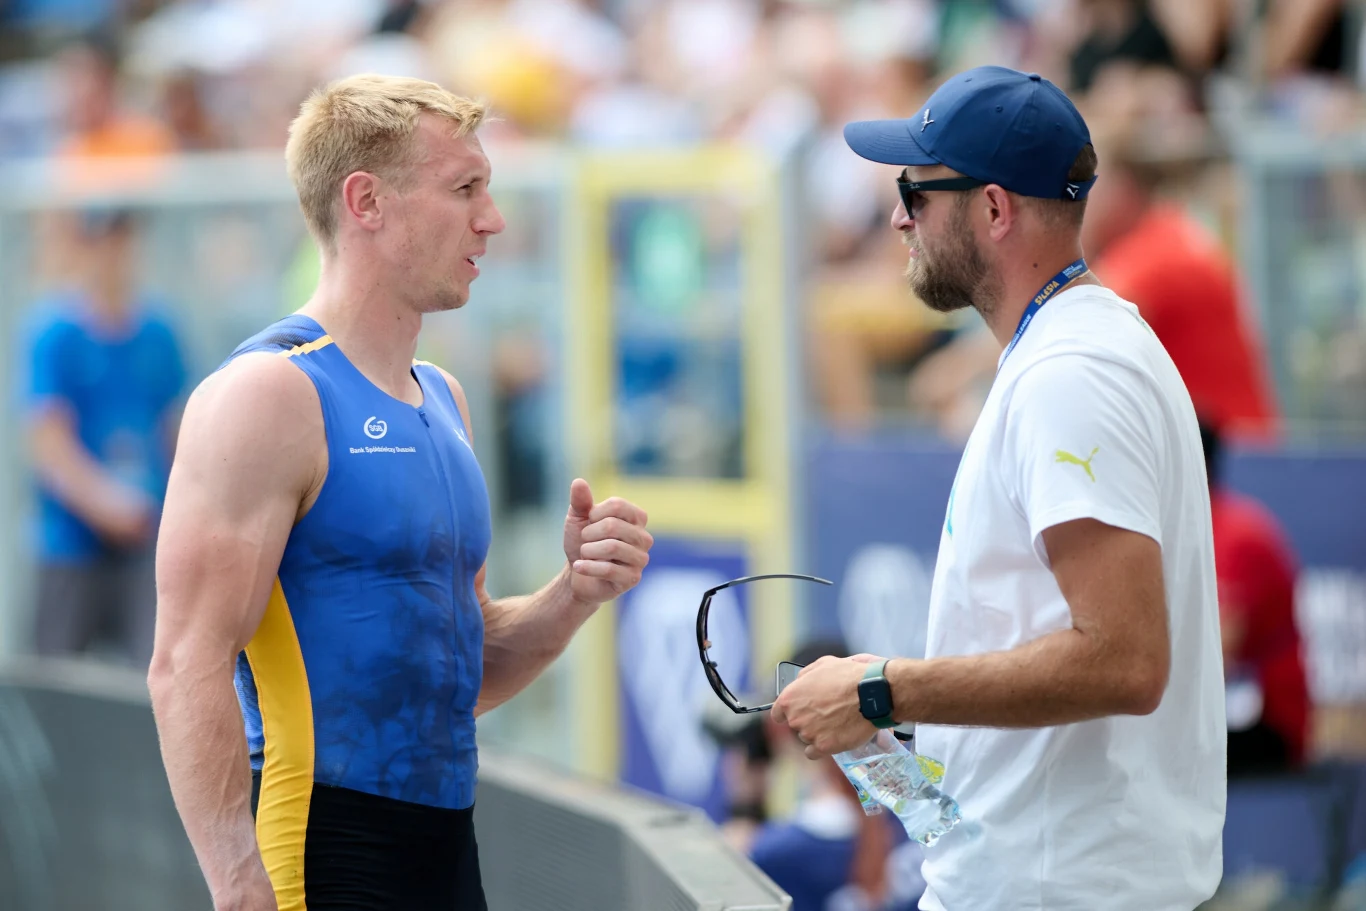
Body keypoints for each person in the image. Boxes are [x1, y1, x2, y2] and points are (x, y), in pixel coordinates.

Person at [147, 74, 654, 911]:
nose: (492, 219)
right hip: (317, 852)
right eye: (465, 189)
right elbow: (183, 661)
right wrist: (238, 885)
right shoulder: (268, 395)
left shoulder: (442, 399)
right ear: (367, 202)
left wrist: (574, 593)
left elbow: (461, 664)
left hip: (445, 852)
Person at [772, 66, 1226, 910]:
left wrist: (881, 688)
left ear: (992, 209)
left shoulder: (1073, 372)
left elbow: (1124, 661)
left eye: (916, 189)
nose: (899, 215)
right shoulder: (1070, 350)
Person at [21, 207, 186, 668]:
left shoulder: (158, 331)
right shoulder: (54, 334)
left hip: (143, 539)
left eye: (123, 241)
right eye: (104, 241)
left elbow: (172, 430)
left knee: (154, 673)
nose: (116, 254)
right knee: (59, 685)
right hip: (72, 544)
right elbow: (48, 441)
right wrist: (106, 504)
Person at [1201, 420, 1310, 775]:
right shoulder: (1188, 528)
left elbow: (1218, 656)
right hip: (1221, 715)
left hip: (1266, 724)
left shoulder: (1236, 534)